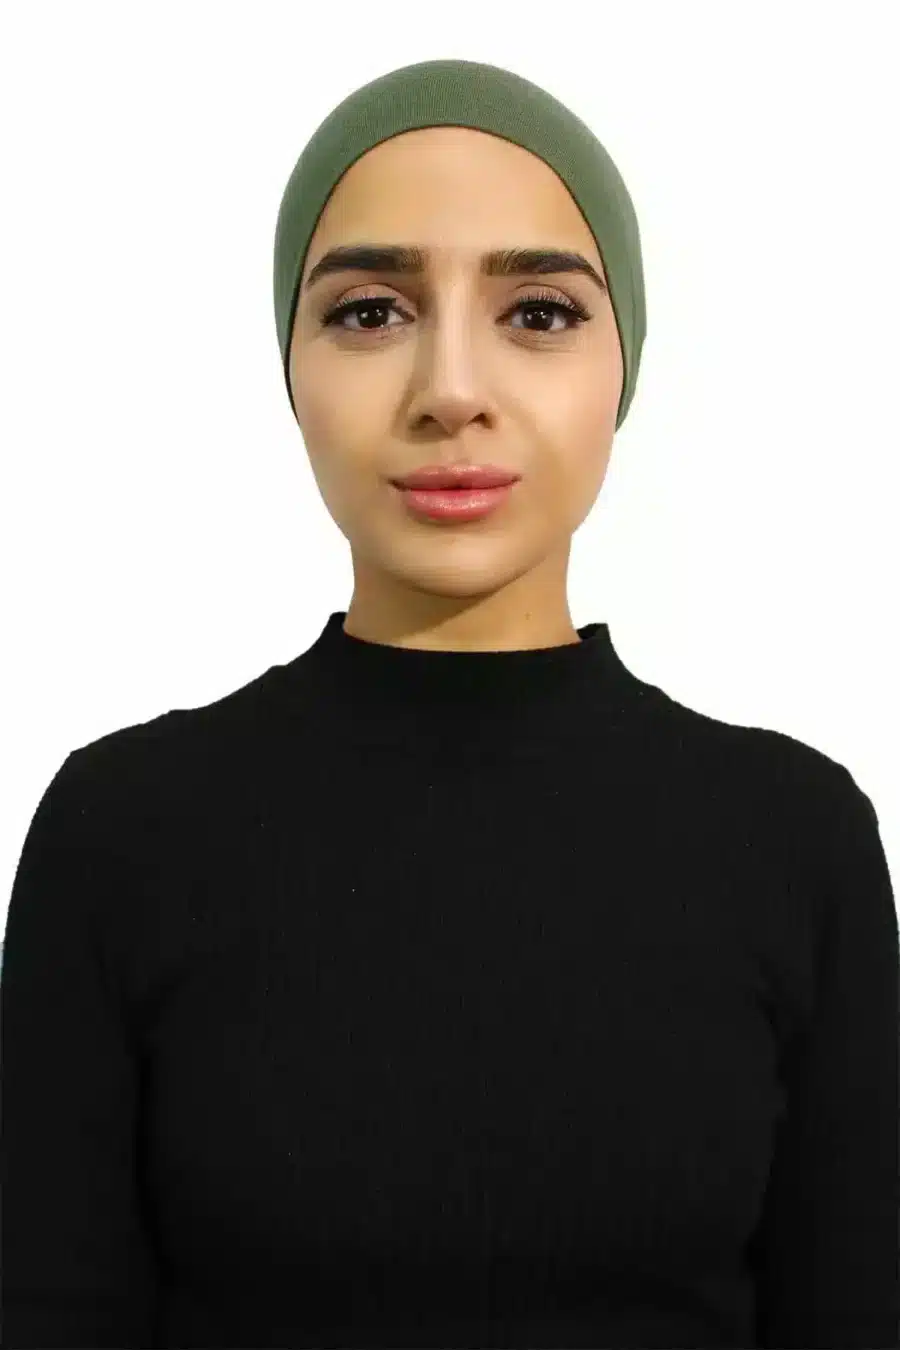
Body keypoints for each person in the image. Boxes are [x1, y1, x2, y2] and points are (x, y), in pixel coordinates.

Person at [1, 58, 897, 1350]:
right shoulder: (121, 831)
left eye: (538, 311)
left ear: (624, 367)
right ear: (291, 366)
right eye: (370, 311)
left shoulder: (797, 840)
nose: (451, 388)